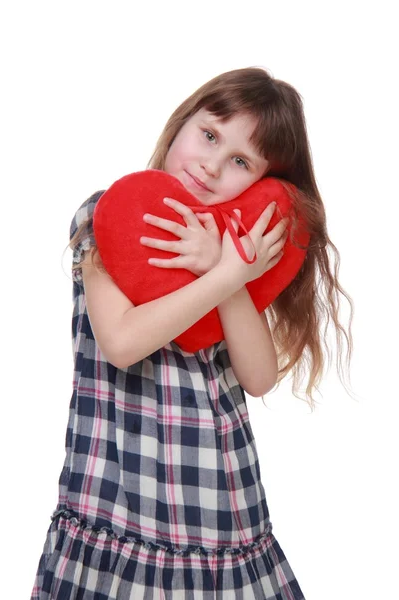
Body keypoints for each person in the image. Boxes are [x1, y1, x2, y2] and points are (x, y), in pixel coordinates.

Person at [31, 67, 353, 599]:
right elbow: (123, 342)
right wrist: (228, 273)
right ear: (182, 123)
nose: (211, 165)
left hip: (220, 504)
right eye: (209, 135)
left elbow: (257, 376)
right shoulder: (108, 213)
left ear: (261, 181)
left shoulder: (230, 247)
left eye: (240, 162)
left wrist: (228, 273)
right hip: (115, 494)